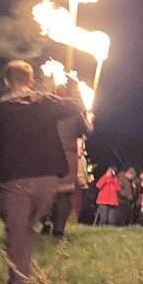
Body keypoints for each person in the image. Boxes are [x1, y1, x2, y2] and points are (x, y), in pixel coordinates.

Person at [0, 59, 88, 284]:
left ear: (6, 81)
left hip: (15, 182)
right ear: (31, 81)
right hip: (48, 184)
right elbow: (76, 107)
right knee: (22, 235)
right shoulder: (46, 102)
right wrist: (74, 86)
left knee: (19, 237)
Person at [48, 80, 93, 238]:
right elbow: (85, 131)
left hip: (51, 152)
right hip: (67, 153)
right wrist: (88, 120)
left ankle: (48, 223)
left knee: (49, 190)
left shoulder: (48, 108)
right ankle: (58, 228)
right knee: (64, 192)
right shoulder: (75, 111)